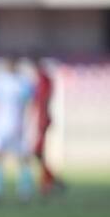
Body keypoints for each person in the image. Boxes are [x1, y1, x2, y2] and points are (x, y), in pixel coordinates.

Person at [0, 55, 35, 203]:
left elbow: (29, 105)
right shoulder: (0, 80)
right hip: (1, 125)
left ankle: (25, 192)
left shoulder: (24, 81)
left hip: (19, 126)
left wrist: (28, 124)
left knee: (24, 159)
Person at [31, 57, 66, 196]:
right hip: (41, 119)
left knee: (40, 153)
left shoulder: (44, 79)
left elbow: (45, 100)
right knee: (39, 153)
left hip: (43, 119)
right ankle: (50, 180)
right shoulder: (41, 79)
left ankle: (48, 183)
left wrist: (43, 119)